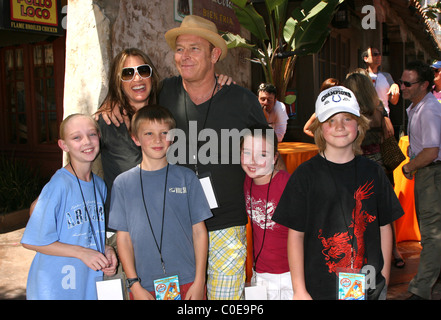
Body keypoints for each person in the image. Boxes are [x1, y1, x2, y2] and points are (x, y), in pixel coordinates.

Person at [161, 15, 268, 300]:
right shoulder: (163, 93)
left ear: (214, 55)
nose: (184, 56)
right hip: (175, 225)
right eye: (180, 49)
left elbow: (268, 150)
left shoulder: (241, 99)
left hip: (226, 226)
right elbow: (130, 105)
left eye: (194, 48)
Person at [272, 86, 404, 300]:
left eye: (347, 119)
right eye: (330, 120)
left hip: (369, 286)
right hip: (319, 288)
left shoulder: (374, 173)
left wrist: (385, 278)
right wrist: (299, 290)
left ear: (359, 124)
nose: (339, 127)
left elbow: (384, 226)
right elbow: (295, 235)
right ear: (318, 127)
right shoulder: (304, 175)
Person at [108, 105, 212, 300]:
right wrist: (134, 285)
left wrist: (200, 281)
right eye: (149, 133)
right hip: (144, 287)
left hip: (188, 282)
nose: (157, 140)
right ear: (136, 138)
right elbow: (124, 239)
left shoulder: (186, 178)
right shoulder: (123, 184)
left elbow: (199, 231)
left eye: (164, 133)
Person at [21, 114, 118, 300]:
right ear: (63, 145)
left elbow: (85, 233)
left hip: (86, 284)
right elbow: (31, 240)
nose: (87, 142)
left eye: (91, 134)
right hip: (56, 289)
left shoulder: (99, 185)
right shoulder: (59, 185)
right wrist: (82, 253)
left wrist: (105, 250)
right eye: (76, 137)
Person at [343, 71, 405, 269]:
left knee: (359, 212)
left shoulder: (350, 114)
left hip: (357, 166)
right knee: (384, 212)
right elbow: (389, 132)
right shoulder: (378, 107)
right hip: (380, 167)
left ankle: (362, 254)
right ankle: (394, 252)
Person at [400, 61, 441, 300]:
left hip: (431, 173)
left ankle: (421, 288)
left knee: (432, 233)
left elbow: (431, 151)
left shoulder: (428, 109)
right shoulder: (418, 107)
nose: (402, 87)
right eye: (402, 81)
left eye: (408, 83)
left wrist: (410, 166)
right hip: (428, 173)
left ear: (424, 85)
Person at [241, 124, 292, 299]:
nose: (253, 160)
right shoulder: (247, 181)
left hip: (287, 276)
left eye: (262, 154)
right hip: (259, 274)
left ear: (274, 158)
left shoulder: (288, 185)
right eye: (247, 152)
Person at [362, 46, 400, 116]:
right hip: (365, 117)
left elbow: (394, 101)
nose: (379, 56)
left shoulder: (386, 76)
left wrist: (395, 89)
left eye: (379, 54)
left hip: (383, 117)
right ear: (366, 58)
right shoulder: (360, 76)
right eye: (375, 54)